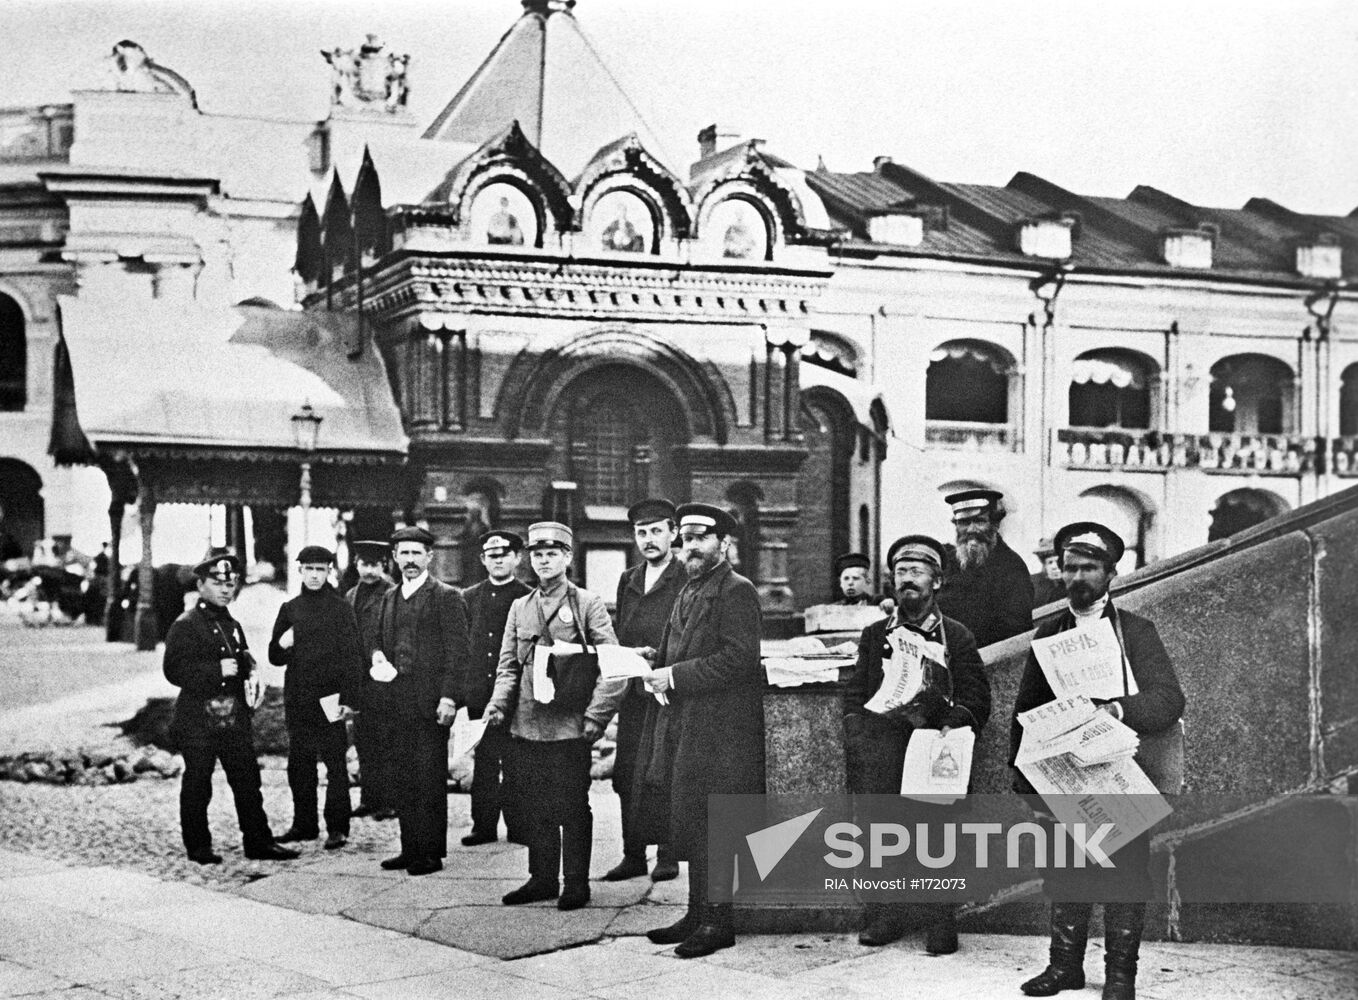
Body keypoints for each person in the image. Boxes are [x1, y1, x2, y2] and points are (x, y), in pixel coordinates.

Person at [1010, 522, 1185, 1000]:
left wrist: (1118, 708)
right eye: (1069, 567)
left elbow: (1170, 699)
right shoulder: (1049, 633)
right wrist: (1026, 781)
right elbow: (1025, 709)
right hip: (1064, 772)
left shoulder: (1136, 632)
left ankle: (1120, 977)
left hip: (1120, 772)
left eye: (1089, 567)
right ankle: (1064, 968)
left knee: (1124, 875)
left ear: (1112, 572)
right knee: (1065, 871)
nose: (1077, 577)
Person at [843, 534, 990, 953]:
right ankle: (885, 916)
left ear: (937, 581)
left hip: (931, 750)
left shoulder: (957, 636)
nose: (907, 580)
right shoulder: (875, 635)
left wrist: (953, 721)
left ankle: (939, 920)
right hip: (884, 750)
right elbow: (856, 691)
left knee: (936, 837)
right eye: (900, 572)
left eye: (917, 572)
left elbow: (977, 697)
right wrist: (858, 726)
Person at [636, 502, 765, 958]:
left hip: (721, 731)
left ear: (724, 543)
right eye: (685, 537)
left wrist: (673, 676)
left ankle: (719, 922)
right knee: (691, 818)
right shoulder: (689, 589)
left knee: (716, 824)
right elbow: (683, 649)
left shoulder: (736, 590)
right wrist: (652, 663)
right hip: (687, 725)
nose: (689, 545)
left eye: (700, 537)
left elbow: (739, 658)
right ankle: (697, 913)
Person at [484, 522, 625, 910]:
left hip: (569, 727)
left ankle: (576, 883)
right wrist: (498, 705)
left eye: (552, 553)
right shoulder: (520, 607)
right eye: (537, 554)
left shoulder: (586, 603)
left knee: (572, 806)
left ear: (567, 558)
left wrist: (596, 716)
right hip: (527, 725)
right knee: (534, 805)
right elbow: (508, 666)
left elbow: (613, 664)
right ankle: (542, 879)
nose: (543, 561)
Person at [162, 548, 297, 865]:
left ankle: (258, 841)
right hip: (198, 721)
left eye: (231, 583)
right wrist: (214, 672)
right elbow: (173, 671)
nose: (226, 589)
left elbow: (242, 660)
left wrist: (250, 673)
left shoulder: (232, 624)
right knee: (198, 783)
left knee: (248, 781)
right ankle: (198, 846)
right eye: (218, 583)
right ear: (201, 586)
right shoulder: (186, 624)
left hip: (233, 718)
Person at [372, 525, 470, 876]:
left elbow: (459, 653)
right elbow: (380, 643)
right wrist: (377, 658)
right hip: (395, 702)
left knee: (428, 777)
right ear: (394, 558)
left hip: (431, 702)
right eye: (404, 553)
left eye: (417, 553)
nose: (410, 560)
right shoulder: (389, 597)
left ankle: (430, 853)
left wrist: (449, 698)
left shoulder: (446, 596)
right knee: (401, 775)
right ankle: (409, 847)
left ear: (429, 556)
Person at [604, 499, 686, 883]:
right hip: (635, 692)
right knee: (627, 773)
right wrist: (627, 654)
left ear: (673, 532)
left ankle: (667, 854)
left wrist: (664, 658)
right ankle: (632, 853)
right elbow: (621, 631)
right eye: (641, 532)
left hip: (670, 693)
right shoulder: (629, 579)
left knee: (664, 771)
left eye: (656, 531)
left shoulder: (685, 576)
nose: (649, 540)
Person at [268, 545, 364, 851]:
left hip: (330, 698)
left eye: (320, 569)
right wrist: (283, 642)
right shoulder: (290, 608)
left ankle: (337, 827)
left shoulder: (340, 609)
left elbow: (352, 657)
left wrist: (349, 698)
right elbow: (274, 657)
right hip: (299, 697)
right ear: (300, 571)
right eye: (308, 569)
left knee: (335, 763)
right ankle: (304, 824)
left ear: (328, 572)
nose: (314, 575)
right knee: (300, 763)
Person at [459, 529, 531, 846]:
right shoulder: (468, 598)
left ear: (517, 558)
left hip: (516, 693)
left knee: (516, 761)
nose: (498, 560)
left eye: (505, 555)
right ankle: (483, 826)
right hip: (480, 693)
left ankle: (519, 826)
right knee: (485, 760)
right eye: (492, 556)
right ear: (483, 560)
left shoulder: (529, 596)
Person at [937, 488, 1035, 648]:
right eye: (964, 522)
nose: (971, 529)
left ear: (995, 524)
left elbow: (1016, 634)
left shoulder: (1012, 567)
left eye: (979, 521)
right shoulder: (948, 562)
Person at [345, 540, 396, 819]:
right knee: (364, 738)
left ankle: (390, 800)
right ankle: (369, 797)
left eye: (375, 565)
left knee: (386, 738)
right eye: (364, 564)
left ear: (384, 565)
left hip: (384, 676)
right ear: (356, 565)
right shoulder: (352, 595)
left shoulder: (391, 593)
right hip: (360, 677)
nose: (369, 571)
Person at [1031, 537, 1066, 609]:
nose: (1054, 567)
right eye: (1050, 562)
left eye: (1058, 562)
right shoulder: (1035, 583)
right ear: (1045, 566)